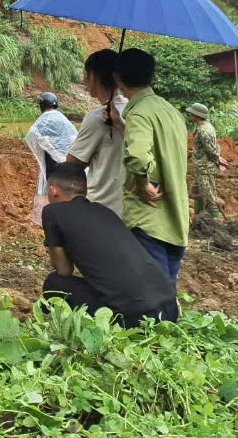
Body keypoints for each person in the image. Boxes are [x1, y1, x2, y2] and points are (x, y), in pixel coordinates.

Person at [40, 165, 178, 327]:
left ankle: (47, 327)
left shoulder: (52, 212)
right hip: (170, 310)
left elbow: (64, 270)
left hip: (136, 319)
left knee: (54, 283)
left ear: (53, 190)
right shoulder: (104, 211)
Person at [114, 48, 189, 284]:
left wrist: (143, 183)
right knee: (167, 288)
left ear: (117, 78)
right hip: (175, 217)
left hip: (149, 220)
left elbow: (137, 157)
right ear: (153, 77)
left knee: (153, 292)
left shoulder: (139, 113)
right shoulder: (170, 111)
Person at [66, 50, 128, 216]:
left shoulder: (95, 118)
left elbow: (73, 164)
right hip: (133, 211)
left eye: (85, 75)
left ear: (91, 76)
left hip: (104, 210)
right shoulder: (135, 110)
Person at [25, 92, 77, 224]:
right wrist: (65, 159)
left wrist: (55, 155)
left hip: (50, 168)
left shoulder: (42, 121)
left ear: (41, 105)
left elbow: (36, 139)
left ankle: (49, 222)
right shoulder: (64, 120)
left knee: (49, 195)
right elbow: (74, 139)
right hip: (68, 166)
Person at [186, 103, 228, 219]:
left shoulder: (204, 130)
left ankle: (214, 222)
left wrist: (218, 159)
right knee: (197, 193)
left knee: (209, 196)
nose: (189, 114)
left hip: (206, 168)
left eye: (191, 113)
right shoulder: (201, 127)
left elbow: (211, 149)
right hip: (201, 167)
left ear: (197, 115)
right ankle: (199, 219)